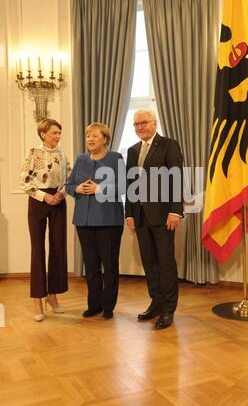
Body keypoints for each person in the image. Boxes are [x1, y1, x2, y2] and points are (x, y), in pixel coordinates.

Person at [125, 109, 183, 329]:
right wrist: (129, 213)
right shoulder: (132, 150)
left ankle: (169, 309)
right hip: (139, 216)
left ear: (155, 123)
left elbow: (177, 178)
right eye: (136, 124)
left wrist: (175, 211)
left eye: (144, 123)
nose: (140, 127)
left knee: (165, 261)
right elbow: (130, 184)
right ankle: (156, 303)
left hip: (163, 215)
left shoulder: (169, 145)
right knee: (149, 261)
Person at [66, 123, 124, 320]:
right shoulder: (80, 159)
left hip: (109, 221)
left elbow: (124, 186)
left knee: (109, 266)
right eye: (88, 136)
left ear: (105, 139)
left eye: (95, 136)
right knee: (90, 266)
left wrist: (99, 189)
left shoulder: (116, 158)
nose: (90, 139)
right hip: (84, 221)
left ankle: (108, 306)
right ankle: (94, 305)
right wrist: (77, 189)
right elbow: (69, 184)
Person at [21, 118, 71, 322]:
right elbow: (25, 180)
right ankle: (37, 300)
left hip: (58, 200)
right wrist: (44, 196)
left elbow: (69, 178)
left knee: (58, 247)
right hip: (38, 201)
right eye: (54, 133)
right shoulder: (33, 153)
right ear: (43, 134)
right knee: (37, 250)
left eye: (59, 133)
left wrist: (61, 194)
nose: (58, 136)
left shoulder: (62, 153)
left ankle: (53, 296)